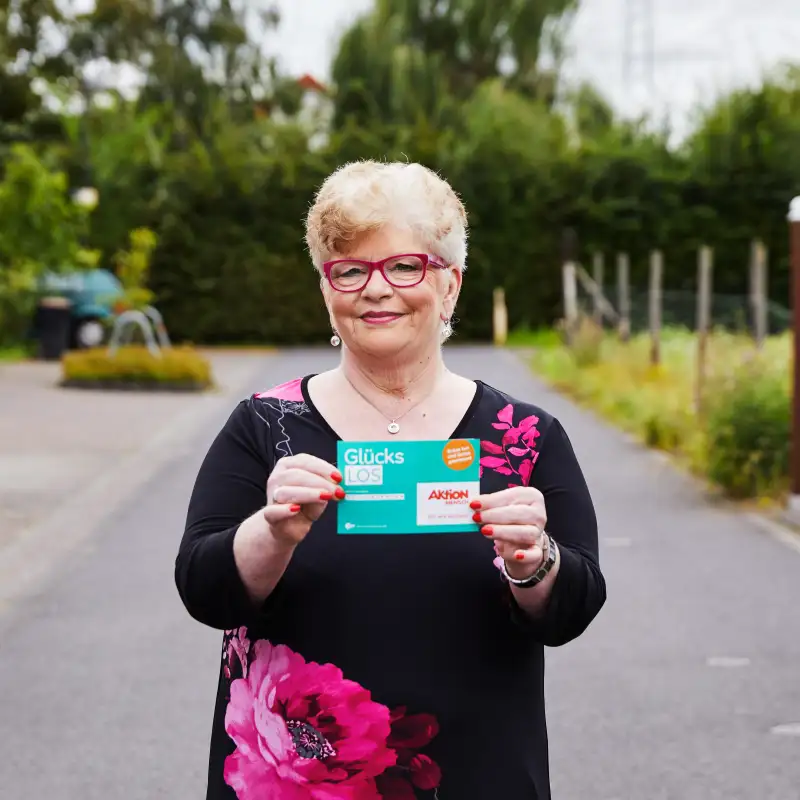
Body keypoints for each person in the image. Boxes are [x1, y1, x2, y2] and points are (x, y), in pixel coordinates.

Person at [175, 160, 607, 800]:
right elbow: (203, 590)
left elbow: (574, 607)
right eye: (350, 270)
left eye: (405, 266)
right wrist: (272, 533)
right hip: (297, 784)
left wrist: (533, 563)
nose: (376, 289)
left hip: (475, 776)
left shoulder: (524, 436)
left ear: (451, 284)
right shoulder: (264, 427)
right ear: (327, 289)